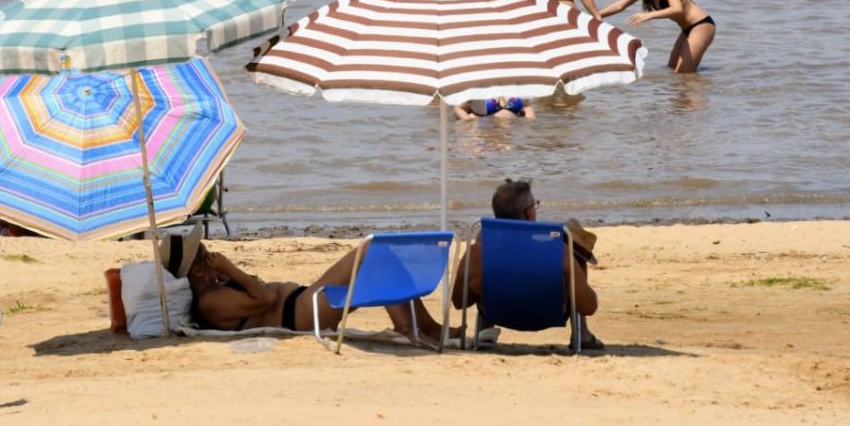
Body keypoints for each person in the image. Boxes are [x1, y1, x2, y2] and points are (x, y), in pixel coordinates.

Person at [162, 234, 451, 344]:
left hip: (305, 298)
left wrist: (227, 274)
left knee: (379, 254)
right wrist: (230, 269)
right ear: (198, 270)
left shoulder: (217, 288)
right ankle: (406, 326)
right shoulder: (209, 302)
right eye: (207, 254)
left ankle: (428, 327)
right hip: (302, 315)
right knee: (371, 250)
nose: (213, 255)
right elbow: (266, 298)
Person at [451, 179, 602, 350]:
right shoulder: (558, 252)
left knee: (486, 277)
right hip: (547, 315)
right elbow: (589, 306)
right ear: (529, 213)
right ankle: (582, 334)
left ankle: (486, 331)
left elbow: (458, 302)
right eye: (534, 206)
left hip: (500, 314)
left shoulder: (476, 254)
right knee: (577, 256)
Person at [454, 97, 535, 120]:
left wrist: (523, 122)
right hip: (486, 134)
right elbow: (458, 108)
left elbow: (530, 118)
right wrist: (467, 119)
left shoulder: (518, 91)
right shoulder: (479, 93)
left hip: (510, 137)